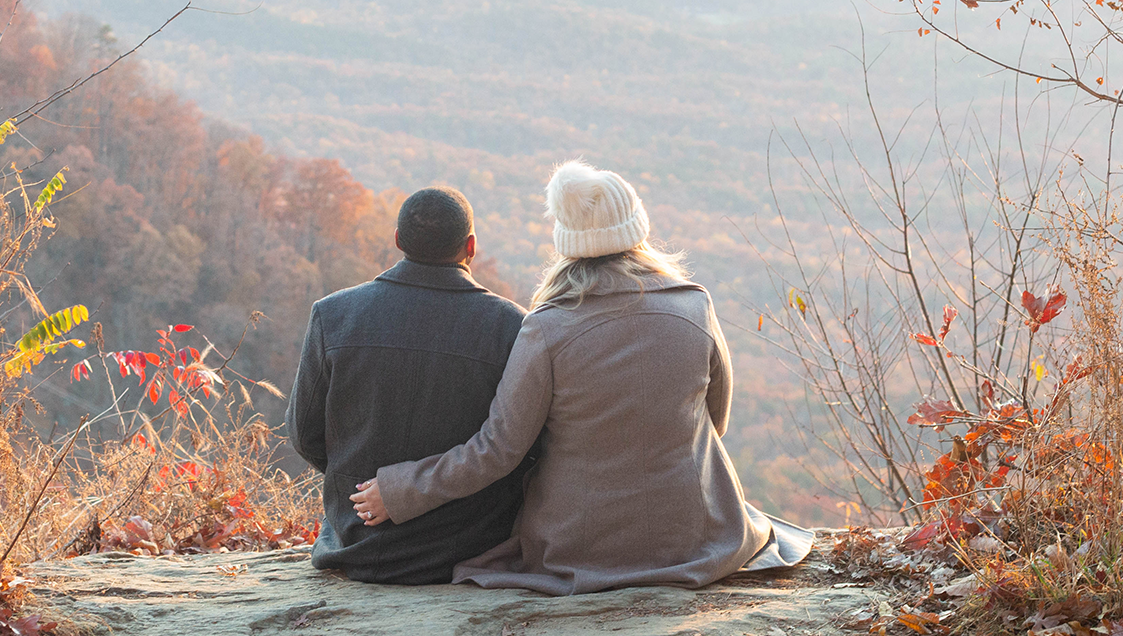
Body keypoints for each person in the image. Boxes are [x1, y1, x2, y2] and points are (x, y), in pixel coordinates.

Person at [350, 159, 811, 594]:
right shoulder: (695, 306)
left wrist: (402, 490)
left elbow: (498, 450)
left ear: (564, 240)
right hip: (696, 537)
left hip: (582, 547)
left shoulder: (546, 328)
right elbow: (716, 421)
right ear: (638, 229)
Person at [286, 186, 530, 584]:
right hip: (470, 549)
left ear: (398, 241)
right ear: (471, 246)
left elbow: (304, 435)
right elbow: (523, 449)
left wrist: (358, 488)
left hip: (355, 542)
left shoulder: (332, 315)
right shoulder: (511, 327)